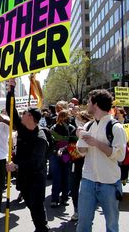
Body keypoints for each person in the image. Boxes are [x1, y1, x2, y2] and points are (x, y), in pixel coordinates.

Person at [76, 89, 127, 232]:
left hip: (109, 183)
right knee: (83, 224)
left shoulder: (116, 127)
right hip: (88, 180)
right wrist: (81, 136)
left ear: (95, 104)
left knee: (111, 226)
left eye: (88, 101)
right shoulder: (88, 125)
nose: (86, 104)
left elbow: (120, 156)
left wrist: (96, 143)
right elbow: (82, 152)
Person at [6, 79, 49, 232]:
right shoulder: (23, 128)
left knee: (36, 205)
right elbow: (11, 111)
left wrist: (16, 165)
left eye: (24, 113)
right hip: (24, 177)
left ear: (31, 117)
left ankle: (42, 228)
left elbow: (35, 162)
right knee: (31, 205)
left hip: (36, 177)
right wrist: (11, 89)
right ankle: (40, 226)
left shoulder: (40, 138)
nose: (21, 115)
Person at [49, 110, 76, 208]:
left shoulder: (71, 128)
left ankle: (61, 198)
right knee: (60, 176)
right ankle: (58, 199)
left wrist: (61, 143)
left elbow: (72, 141)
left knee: (63, 176)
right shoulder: (55, 127)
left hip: (64, 155)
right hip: (60, 154)